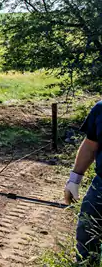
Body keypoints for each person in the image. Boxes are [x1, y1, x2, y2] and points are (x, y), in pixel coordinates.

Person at [65, 102, 102, 264]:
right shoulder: (101, 109)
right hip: (101, 186)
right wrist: (74, 180)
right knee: (87, 234)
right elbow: (90, 146)